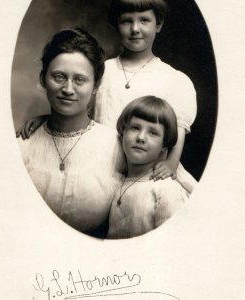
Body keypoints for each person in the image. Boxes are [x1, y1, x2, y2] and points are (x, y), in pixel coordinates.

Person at [17, 0, 197, 189]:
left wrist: (171, 163)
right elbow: (77, 106)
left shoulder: (174, 79)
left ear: (158, 24)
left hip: (147, 171)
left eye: (144, 20)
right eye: (127, 21)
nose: (135, 29)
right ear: (116, 25)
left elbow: (177, 130)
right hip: (101, 166)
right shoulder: (101, 71)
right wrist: (46, 120)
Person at [17, 28, 124, 238]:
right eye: (58, 77)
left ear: (95, 86)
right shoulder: (23, 144)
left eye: (80, 79)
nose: (67, 88)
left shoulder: (116, 147)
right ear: (43, 79)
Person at [107, 96, 187, 239]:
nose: (141, 137)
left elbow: (172, 242)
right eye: (135, 128)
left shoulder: (166, 189)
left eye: (153, 133)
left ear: (164, 145)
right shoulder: (117, 182)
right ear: (122, 133)